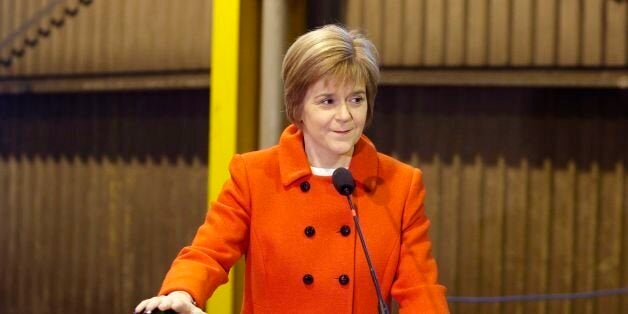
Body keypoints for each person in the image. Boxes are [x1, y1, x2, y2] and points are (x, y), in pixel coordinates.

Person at [134, 24, 449, 314]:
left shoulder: (402, 184)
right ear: (297, 107)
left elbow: (420, 290)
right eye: (327, 101)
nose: (346, 115)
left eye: (356, 99)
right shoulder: (253, 174)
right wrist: (181, 293)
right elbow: (208, 253)